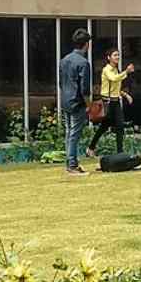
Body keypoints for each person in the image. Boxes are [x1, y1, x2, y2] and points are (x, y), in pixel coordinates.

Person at [87, 48, 134, 157]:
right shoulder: (107, 70)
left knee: (119, 126)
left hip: (115, 102)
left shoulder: (116, 70)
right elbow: (114, 79)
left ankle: (120, 152)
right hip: (107, 103)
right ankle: (91, 148)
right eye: (115, 55)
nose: (117, 57)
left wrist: (125, 95)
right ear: (109, 58)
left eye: (118, 55)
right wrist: (126, 71)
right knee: (104, 127)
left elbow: (116, 87)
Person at [59, 28, 93, 176]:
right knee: (74, 134)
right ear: (87, 44)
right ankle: (72, 165)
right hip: (77, 102)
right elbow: (84, 88)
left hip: (65, 100)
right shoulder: (84, 63)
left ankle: (70, 162)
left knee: (69, 133)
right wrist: (89, 105)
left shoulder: (64, 60)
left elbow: (61, 82)